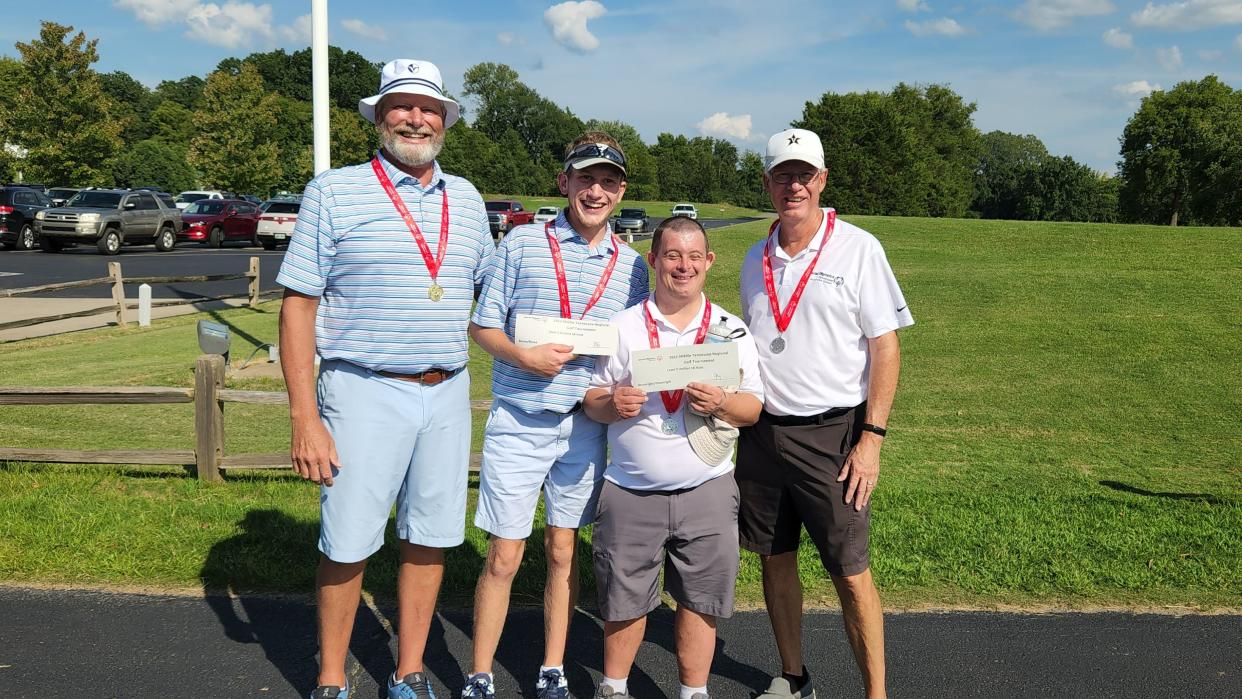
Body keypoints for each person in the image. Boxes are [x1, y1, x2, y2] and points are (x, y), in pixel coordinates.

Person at [277, 58, 495, 699]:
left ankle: (408, 672)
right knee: (348, 542)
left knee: (429, 539)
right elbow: (298, 304)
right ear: (378, 115)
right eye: (401, 105)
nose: (415, 118)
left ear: (445, 121)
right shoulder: (334, 190)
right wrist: (303, 416)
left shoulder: (467, 196)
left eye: (429, 108)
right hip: (361, 388)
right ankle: (333, 679)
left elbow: (492, 291)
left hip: (446, 388)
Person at [464, 131, 649, 699]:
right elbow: (481, 325)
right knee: (504, 554)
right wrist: (522, 355)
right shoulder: (521, 245)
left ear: (620, 192)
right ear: (564, 181)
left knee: (564, 550)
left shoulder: (632, 266)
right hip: (521, 419)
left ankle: (552, 669)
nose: (596, 192)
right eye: (586, 179)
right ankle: (479, 674)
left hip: (585, 424)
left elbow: (637, 345)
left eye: (609, 182)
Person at [736, 128, 915, 699]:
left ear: (822, 180)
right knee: (774, 558)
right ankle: (794, 677)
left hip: (833, 434)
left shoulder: (859, 248)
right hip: (763, 433)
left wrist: (872, 439)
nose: (794, 185)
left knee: (850, 571)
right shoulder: (753, 256)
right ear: (767, 182)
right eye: (782, 175)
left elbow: (885, 345)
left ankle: (876, 693)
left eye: (804, 174)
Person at [583, 216, 764, 699]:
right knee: (622, 600)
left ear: (709, 263)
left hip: (707, 488)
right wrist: (610, 403)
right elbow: (590, 398)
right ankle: (615, 687)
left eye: (693, 257)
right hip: (630, 491)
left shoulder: (730, 330)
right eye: (672, 256)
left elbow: (753, 408)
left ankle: (693, 692)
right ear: (654, 260)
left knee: (701, 599)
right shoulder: (622, 328)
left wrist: (722, 403)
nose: (682, 267)